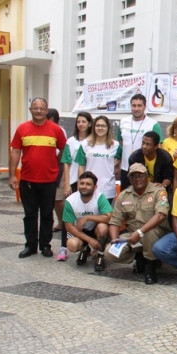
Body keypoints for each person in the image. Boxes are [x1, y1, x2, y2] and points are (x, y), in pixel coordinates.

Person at [9, 98, 67, 258]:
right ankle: (30, 245)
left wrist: (55, 164)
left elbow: (63, 149)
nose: (39, 111)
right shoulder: (22, 129)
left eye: (42, 108)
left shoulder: (56, 130)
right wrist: (12, 175)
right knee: (30, 214)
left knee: (47, 214)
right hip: (28, 180)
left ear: (47, 111)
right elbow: (15, 152)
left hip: (49, 180)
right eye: (36, 108)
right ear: (30, 109)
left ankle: (45, 245)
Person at [104, 163, 170, 284]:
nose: (137, 179)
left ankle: (150, 268)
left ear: (147, 177)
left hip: (156, 233)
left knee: (149, 233)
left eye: (140, 175)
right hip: (132, 235)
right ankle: (139, 257)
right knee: (109, 253)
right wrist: (114, 240)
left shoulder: (158, 191)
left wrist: (140, 232)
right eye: (133, 176)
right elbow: (114, 221)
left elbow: (161, 215)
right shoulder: (124, 195)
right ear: (129, 179)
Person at [59, 111, 94, 261]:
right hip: (74, 182)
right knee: (69, 215)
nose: (81, 124)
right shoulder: (70, 142)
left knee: (88, 216)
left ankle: (86, 246)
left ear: (89, 123)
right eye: (78, 121)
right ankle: (63, 247)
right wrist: (67, 184)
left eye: (84, 121)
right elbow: (66, 163)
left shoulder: (93, 141)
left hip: (90, 183)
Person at [62, 171, 112, 270]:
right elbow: (69, 227)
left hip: (96, 229)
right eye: (82, 183)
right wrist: (90, 240)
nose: (84, 186)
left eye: (88, 184)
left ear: (95, 187)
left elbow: (109, 217)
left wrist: (87, 217)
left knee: (102, 227)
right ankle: (85, 249)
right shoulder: (70, 201)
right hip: (80, 230)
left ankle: (100, 255)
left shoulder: (100, 197)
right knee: (71, 245)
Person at [117, 93, 162, 190]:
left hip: (144, 171)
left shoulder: (153, 124)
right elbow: (121, 145)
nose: (136, 108)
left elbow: (159, 148)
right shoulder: (122, 122)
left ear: (145, 107)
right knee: (126, 201)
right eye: (134, 105)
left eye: (139, 105)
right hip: (126, 169)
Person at [72, 115, 121, 203]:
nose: (100, 128)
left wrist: (115, 167)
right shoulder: (85, 144)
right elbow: (81, 167)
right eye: (97, 125)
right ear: (94, 127)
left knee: (104, 216)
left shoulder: (115, 145)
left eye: (103, 126)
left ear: (108, 128)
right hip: (88, 188)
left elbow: (121, 159)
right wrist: (80, 186)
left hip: (107, 189)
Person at [128, 130, 174, 197]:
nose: (144, 146)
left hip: (160, 188)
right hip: (140, 188)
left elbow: (169, 177)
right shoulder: (134, 157)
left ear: (156, 146)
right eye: (143, 143)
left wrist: (162, 185)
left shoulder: (166, 158)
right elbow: (131, 177)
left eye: (148, 144)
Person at [46, 108, 68, 234]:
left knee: (58, 198)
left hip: (58, 166)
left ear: (51, 119)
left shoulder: (58, 130)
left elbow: (62, 150)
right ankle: (60, 222)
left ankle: (63, 222)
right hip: (50, 167)